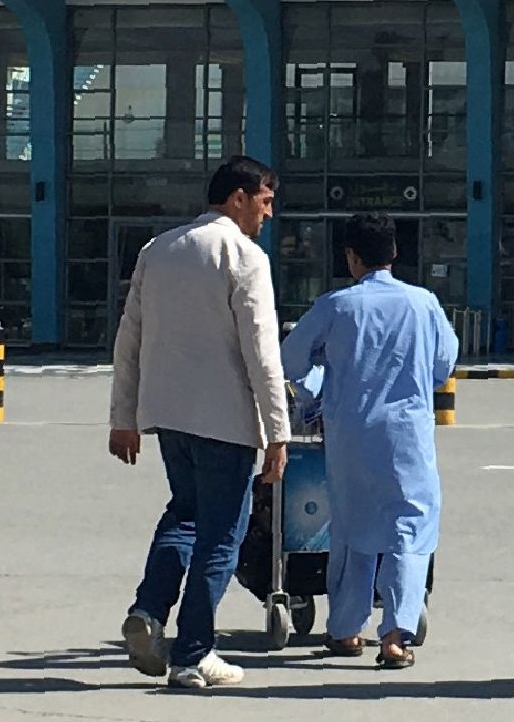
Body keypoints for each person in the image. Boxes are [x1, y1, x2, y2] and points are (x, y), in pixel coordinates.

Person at [108, 157, 291, 691]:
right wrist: (277, 432)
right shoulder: (244, 256)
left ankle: (148, 610)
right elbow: (262, 351)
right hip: (225, 420)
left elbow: (130, 337)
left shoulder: (158, 249)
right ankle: (192, 653)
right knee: (222, 535)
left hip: (167, 415)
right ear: (238, 198)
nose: (268, 214)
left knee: (184, 514)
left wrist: (123, 418)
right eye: (265, 202)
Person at [278, 214, 458, 671]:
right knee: (410, 529)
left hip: (350, 436)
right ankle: (396, 635)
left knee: (351, 529)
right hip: (407, 437)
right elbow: (443, 365)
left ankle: (345, 628)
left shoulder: (336, 306)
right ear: (394, 252)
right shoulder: (423, 304)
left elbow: (290, 360)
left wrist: (323, 373)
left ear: (351, 257)